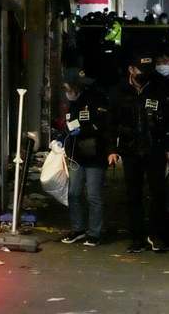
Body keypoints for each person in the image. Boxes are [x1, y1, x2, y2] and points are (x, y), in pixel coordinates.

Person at [107, 52, 169, 253]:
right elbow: (111, 122)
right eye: (140, 70)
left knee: (158, 194)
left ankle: (157, 235)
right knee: (133, 195)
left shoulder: (159, 88)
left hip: (154, 148)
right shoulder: (119, 91)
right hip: (130, 150)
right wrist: (112, 149)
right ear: (131, 69)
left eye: (147, 70)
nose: (144, 74)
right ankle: (137, 238)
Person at [60, 68, 109, 247]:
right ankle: (78, 229)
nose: (67, 93)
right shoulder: (72, 104)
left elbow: (102, 124)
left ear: (76, 87)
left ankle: (95, 232)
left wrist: (83, 130)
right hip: (76, 154)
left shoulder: (95, 99)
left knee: (93, 195)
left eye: (68, 89)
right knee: (74, 193)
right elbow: (67, 124)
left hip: (95, 154)